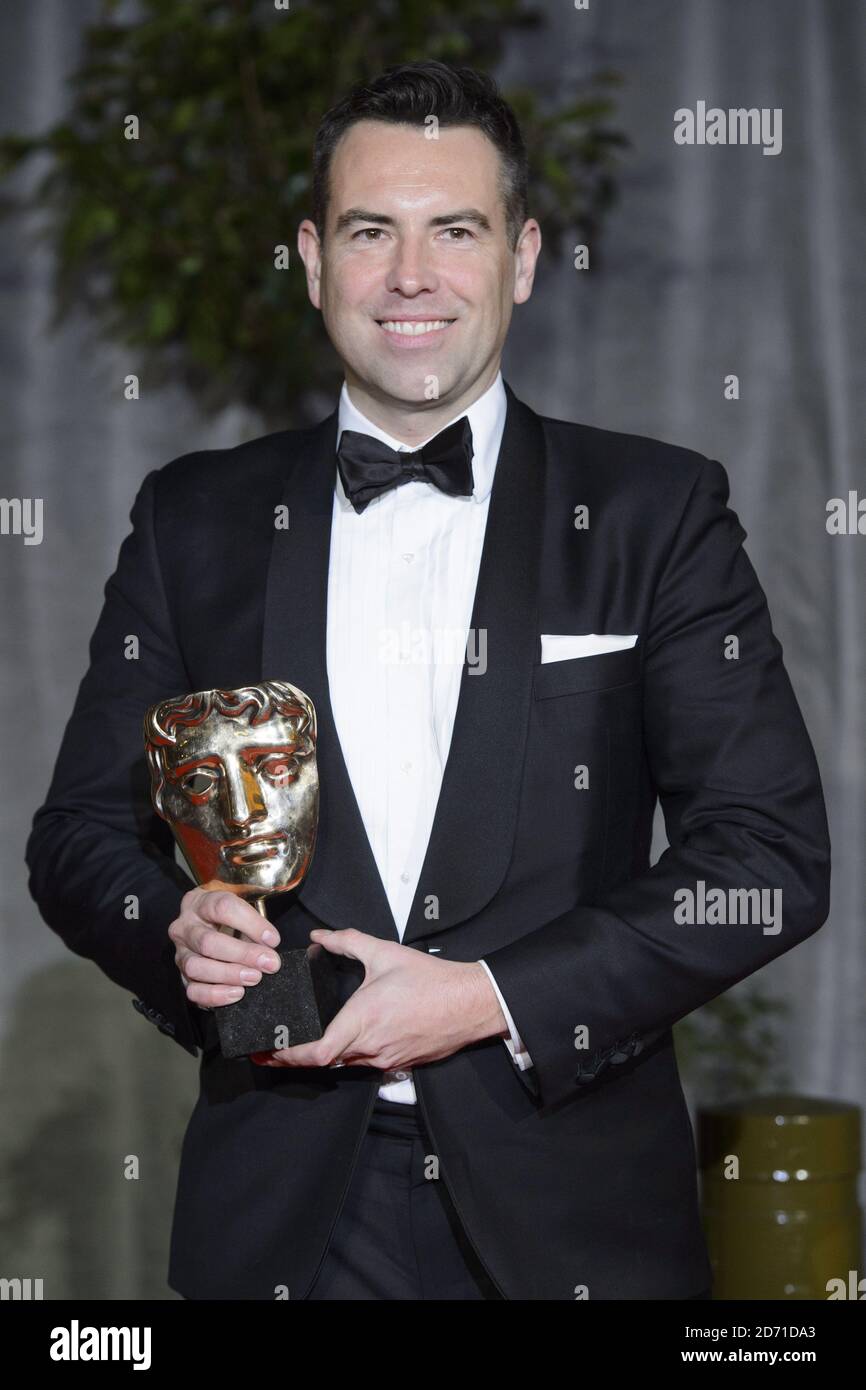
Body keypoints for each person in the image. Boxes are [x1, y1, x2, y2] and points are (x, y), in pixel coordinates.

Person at [26, 60, 830, 1301]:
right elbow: (79, 837)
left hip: (573, 1223)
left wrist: (486, 996)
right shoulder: (192, 521)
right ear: (310, 257)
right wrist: (171, 929)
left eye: (454, 230)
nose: (412, 276)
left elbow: (767, 857)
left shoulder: (650, 513)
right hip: (279, 1215)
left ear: (517, 258)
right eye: (369, 232)